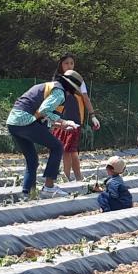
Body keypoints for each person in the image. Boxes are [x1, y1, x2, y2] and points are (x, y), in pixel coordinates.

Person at [6, 70, 85, 198]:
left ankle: (27, 193)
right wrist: (64, 121)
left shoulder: (47, 87)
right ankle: (49, 186)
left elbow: (41, 115)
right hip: (26, 121)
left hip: (14, 123)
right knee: (57, 147)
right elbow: (44, 109)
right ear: (70, 87)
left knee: (32, 160)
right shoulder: (59, 92)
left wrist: (61, 125)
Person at [51, 54, 100, 182]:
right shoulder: (57, 80)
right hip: (60, 119)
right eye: (66, 63)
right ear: (61, 64)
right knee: (68, 150)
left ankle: (69, 177)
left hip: (74, 118)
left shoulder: (78, 81)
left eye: (72, 63)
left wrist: (93, 115)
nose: (69, 65)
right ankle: (76, 177)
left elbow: (86, 99)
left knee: (69, 149)